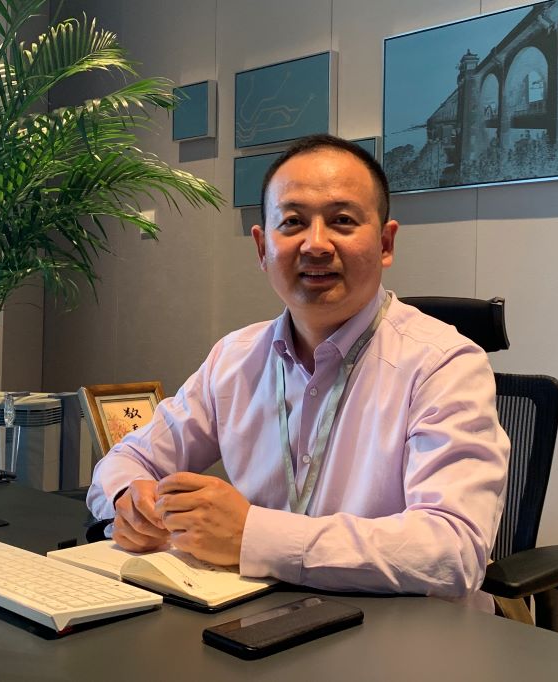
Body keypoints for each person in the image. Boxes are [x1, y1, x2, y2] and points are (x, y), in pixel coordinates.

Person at [87, 134, 509, 610]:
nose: (316, 244)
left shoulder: (443, 364)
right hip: (255, 621)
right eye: (292, 222)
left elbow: (452, 549)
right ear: (262, 247)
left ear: (385, 243)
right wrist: (129, 501)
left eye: (342, 220)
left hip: (404, 632)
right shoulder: (234, 358)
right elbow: (127, 459)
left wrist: (252, 536)